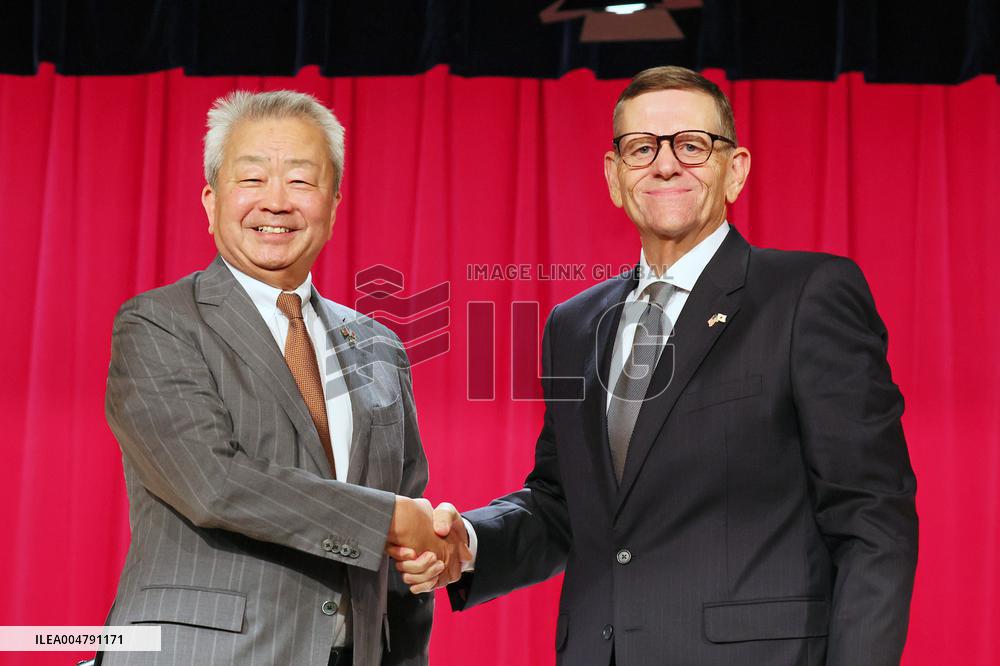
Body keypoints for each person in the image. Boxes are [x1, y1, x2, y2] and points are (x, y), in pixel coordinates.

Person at [398, 66, 919, 665]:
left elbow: (872, 518)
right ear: (614, 176)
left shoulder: (807, 294)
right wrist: (464, 542)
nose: (665, 165)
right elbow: (563, 505)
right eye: (642, 148)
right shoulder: (573, 325)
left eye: (692, 145)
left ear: (736, 169)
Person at [99, 90, 461, 666]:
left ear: (333, 204)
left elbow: (404, 519)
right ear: (211, 201)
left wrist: (427, 548)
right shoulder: (158, 323)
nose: (276, 202)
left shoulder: (379, 345)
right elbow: (213, 482)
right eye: (252, 179)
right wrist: (387, 519)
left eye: (300, 181)